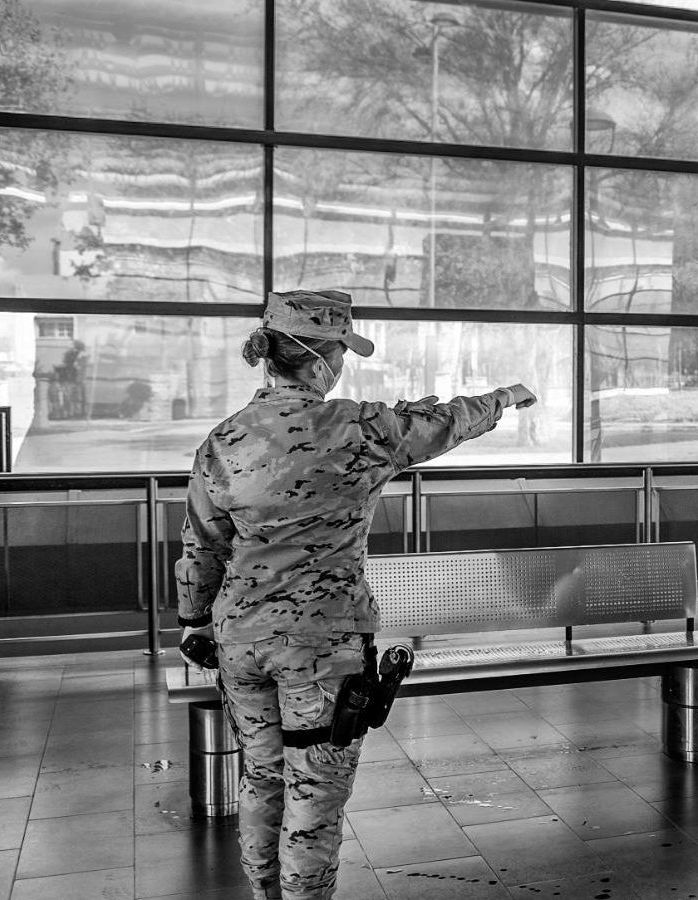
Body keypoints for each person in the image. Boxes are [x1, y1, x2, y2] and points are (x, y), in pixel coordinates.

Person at [174, 289, 536, 900]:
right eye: (339, 350)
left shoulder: (225, 440)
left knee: (261, 779)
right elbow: (444, 423)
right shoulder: (356, 429)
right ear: (318, 363)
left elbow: (201, 545)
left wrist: (193, 623)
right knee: (314, 789)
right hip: (323, 642)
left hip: (238, 640)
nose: (341, 364)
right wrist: (502, 398)